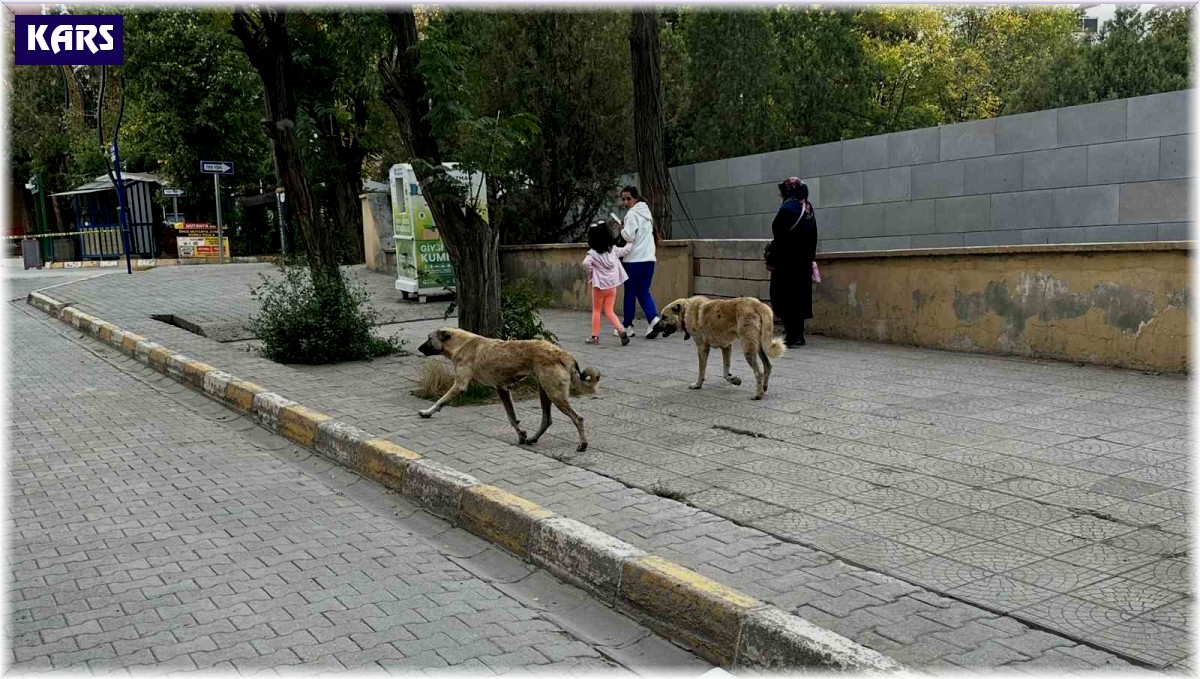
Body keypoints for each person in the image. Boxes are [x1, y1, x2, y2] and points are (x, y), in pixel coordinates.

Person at [765, 177, 818, 347]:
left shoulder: (787, 208)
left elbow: (780, 238)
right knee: (800, 298)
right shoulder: (808, 208)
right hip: (803, 263)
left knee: (783, 297)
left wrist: (772, 259)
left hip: (786, 264)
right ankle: (799, 334)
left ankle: (791, 334)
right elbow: (813, 236)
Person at [614, 185, 661, 339]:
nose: (626, 202)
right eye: (624, 199)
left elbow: (628, 236)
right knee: (644, 291)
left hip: (633, 260)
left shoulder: (631, 215)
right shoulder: (647, 213)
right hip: (649, 259)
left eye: (628, 198)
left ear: (635, 198)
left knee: (630, 293)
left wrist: (622, 228)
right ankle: (653, 319)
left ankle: (627, 325)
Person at [582, 222, 632, 346]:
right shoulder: (613, 251)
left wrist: (593, 271)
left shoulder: (592, 254)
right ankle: (621, 330)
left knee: (597, 311)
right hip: (612, 286)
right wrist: (631, 242)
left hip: (599, 287)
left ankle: (595, 337)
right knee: (610, 311)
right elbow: (625, 250)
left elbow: (585, 264)